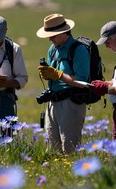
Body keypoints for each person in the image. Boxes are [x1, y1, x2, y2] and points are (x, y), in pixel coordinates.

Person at [36, 13, 90, 154]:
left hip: (71, 102)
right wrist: (48, 74)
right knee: (53, 147)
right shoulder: (52, 50)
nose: (50, 39)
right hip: (52, 103)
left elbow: (83, 82)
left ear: (64, 33)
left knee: (70, 147)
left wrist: (58, 75)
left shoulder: (79, 50)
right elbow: (54, 75)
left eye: (53, 36)